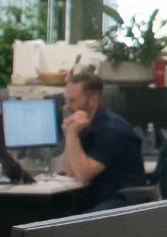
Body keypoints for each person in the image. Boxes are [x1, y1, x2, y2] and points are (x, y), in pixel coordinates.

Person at [60, 70, 149, 211]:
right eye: (66, 100)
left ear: (93, 99)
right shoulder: (85, 126)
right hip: (98, 199)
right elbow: (70, 171)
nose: (66, 106)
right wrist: (69, 135)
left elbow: (83, 174)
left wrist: (72, 134)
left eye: (73, 101)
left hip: (120, 202)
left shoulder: (112, 129)